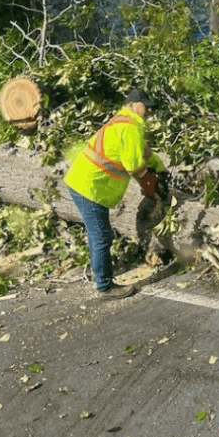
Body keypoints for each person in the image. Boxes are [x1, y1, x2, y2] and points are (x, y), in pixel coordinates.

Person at [64, 88, 167, 298]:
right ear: (131, 104)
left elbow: (143, 153)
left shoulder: (125, 123)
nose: (149, 110)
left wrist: (161, 169)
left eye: (151, 107)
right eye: (145, 106)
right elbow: (135, 166)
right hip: (90, 187)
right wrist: (151, 187)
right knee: (102, 236)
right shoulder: (130, 127)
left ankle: (100, 275)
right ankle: (104, 286)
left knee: (98, 235)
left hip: (88, 184)